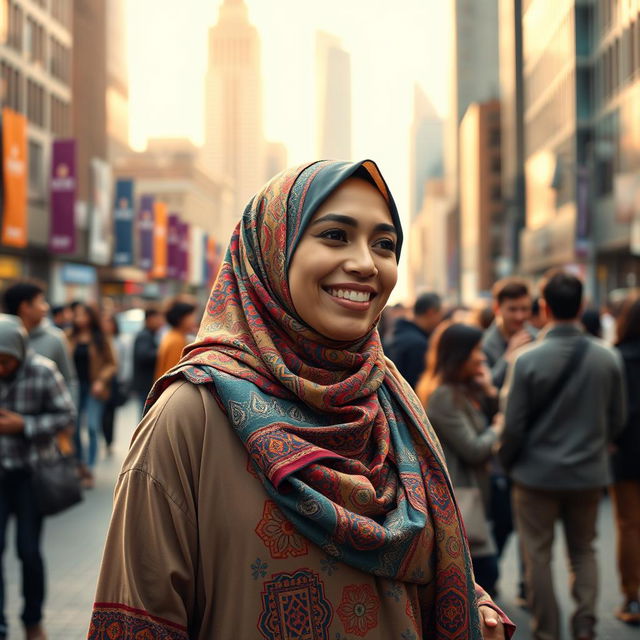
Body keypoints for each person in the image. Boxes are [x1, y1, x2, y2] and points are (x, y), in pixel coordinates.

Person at [88, 160, 514, 639]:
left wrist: (470, 601)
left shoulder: (392, 400)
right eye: (335, 235)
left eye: (384, 244)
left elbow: (425, 567)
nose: (366, 263)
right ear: (271, 250)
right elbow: (137, 618)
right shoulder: (192, 415)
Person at [499, 270, 627, 640]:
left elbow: (513, 425)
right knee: (584, 551)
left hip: (534, 475)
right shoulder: (608, 358)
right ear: (583, 305)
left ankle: (546, 631)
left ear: (544, 307)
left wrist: (508, 462)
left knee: (537, 556)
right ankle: (585, 625)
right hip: (588, 473)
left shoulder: (524, 360)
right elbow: (617, 419)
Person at [0, 316, 76, 640]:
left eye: (6, 361)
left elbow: (67, 415)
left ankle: (33, 619)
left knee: (28, 551)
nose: (1, 368)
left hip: (32, 475)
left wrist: (25, 426)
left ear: (19, 351)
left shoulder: (43, 370)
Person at [416, 322, 502, 597]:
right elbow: (474, 448)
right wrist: (498, 429)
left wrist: (489, 392)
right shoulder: (443, 395)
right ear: (459, 354)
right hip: (459, 494)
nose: (482, 356)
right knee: (485, 572)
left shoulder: (461, 389)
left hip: (473, 490)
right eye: (476, 350)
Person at [611, 295, 640, 624]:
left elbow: (616, 411)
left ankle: (633, 598)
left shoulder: (618, 357)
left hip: (627, 451)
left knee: (629, 526)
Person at [67, 303, 116, 488]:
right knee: (76, 426)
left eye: (83, 315)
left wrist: (101, 380)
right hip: (73, 387)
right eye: (77, 315)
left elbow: (112, 364)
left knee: (93, 427)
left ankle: (89, 468)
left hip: (95, 387)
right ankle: (79, 463)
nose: (80, 318)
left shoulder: (101, 338)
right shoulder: (68, 337)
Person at [2, 281, 77, 400]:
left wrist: (70, 411)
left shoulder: (55, 338)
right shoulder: (3, 338)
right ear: (25, 306)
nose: (46, 307)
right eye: (41, 302)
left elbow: (69, 381)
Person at [482, 278, 535, 390]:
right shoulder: (483, 344)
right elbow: (488, 385)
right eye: (512, 309)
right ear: (497, 308)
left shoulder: (538, 338)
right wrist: (509, 356)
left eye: (524, 309)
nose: (519, 316)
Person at [385, 292, 442, 388]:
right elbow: (416, 387)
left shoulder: (395, 333)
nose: (440, 319)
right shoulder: (418, 344)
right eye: (440, 314)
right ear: (431, 312)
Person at [100, 312, 131, 456]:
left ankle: (109, 441)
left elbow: (125, 361)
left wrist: (123, 378)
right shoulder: (99, 340)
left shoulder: (121, 341)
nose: (107, 325)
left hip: (115, 380)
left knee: (110, 413)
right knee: (100, 412)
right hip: (101, 380)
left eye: (109, 322)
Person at [153, 300, 197, 380]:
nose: (194, 320)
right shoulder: (177, 341)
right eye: (191, 316)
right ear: (181, 319)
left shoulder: (172, 335)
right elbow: (173, 374)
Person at [132, 308, 163, 416]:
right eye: (158, 318)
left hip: (145, 383)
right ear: (150, 319)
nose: (160, 322)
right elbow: (144, 355)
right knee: (144, 416)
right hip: (145, 383)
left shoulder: (150, 334)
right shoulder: (144, 335)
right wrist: (161, 352)